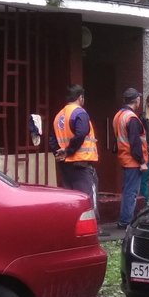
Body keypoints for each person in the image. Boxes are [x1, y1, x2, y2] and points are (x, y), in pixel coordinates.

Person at [49, 84, 104, 234]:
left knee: (71, 197)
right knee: (87, 196)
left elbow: (52, 140)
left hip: (65, 164)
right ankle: (93, 228)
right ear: (80, 98)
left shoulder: (59, 115)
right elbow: (81, 134)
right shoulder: (80, 113)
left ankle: (71, 227)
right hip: (81, 162)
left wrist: (60, 153)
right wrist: (69, 151)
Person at [112, 88, 148, 229]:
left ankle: (125, 219)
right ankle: (126, 221)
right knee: (131, 192)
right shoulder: (131, 118)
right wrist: (142, 161)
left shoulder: (118, 115)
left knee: (128, 190)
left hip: (125, 157)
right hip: (133, 160)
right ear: (137, 100)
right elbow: (135, 143)